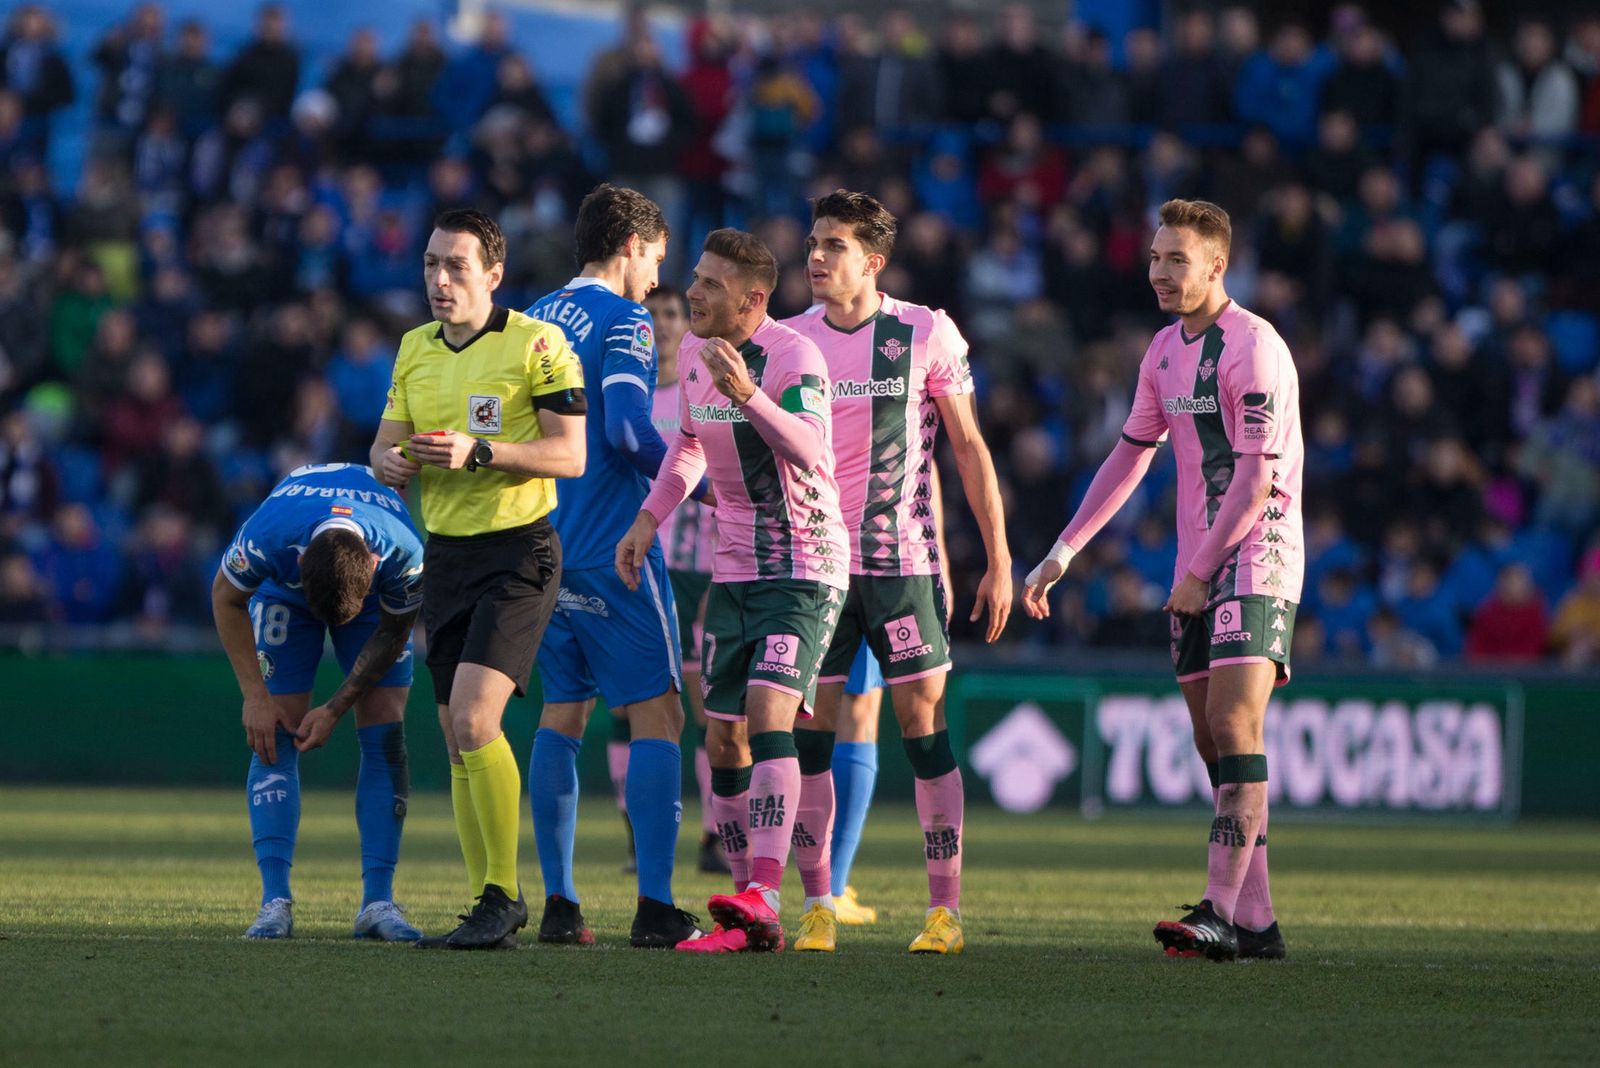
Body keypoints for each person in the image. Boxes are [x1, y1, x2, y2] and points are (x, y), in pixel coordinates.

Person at [1022, 198, 1303, 963]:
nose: (1160, 273)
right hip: (1195, 565)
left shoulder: (1255, 347)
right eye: (1154, 259)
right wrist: (1064, 550)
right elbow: (1128, 456)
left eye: (1177, 259)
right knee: (1212, 739)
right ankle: (1259, 922)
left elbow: (1251, 484)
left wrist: (1203, 571)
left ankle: (1216, 910)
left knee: (1238, 726)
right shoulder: (1161, 353)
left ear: (1217, 265)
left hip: (1256, 555)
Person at [783, 190, 1012, 955]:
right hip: (816, 566)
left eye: (834, 246)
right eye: (814, 242)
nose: (816, 257)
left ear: (873, 261)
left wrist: (998, 558)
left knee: (922, 725)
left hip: (901, 562)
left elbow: (969, 449)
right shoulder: (790, 342)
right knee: (806, 728)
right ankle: (817, 903)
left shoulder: (924, 333)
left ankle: (943, 911)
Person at [615, 228, 847, 955]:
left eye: (710, 286)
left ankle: (766, 895)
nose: (691, 293)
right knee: (722, 737)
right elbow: (685, 446)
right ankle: (745, 907)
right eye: (694, 279)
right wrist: (650, 518)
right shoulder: (689, 356)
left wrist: (749, 397)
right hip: (734, 569)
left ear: (751, 300)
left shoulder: (792, 356)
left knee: (769, 713)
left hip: (804, 565)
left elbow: (812, 450)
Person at [371, 208, 587, 950]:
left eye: (456, 265)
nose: (439, 278)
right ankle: (485, 900)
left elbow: (570, 455)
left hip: (520, 549)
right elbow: (383, 449)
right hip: (448, 555)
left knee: (472, 719)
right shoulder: (413, 350)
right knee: (453, 733)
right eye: (431, 263)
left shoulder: (539, 344)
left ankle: (504, 894)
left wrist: (481, 452)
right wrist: (391, 466)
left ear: (494, 275)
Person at [523, 183, 702, 949]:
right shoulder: (625, 319)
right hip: (613, 546)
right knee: (659, 710)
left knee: (562, 713)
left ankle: (561, 904)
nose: (657, 281)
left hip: (540, 549)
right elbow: (630, 428)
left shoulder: (529, 317)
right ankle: (656, 906)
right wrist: (703, 481)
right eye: (656, 260)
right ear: (631, 244)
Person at [210, 462, 425, 942]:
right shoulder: (269, 534)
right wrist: (253, 695)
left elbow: (393, 632)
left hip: (374, 605)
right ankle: (274, 902)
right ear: (302, 562)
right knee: (274, 727)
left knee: (385, 724)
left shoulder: (405, 549)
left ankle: (378, 900)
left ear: (373, 564)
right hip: (285, 595)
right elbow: (224, 598)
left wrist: (336, 707)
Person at [645, 282, 731, 877]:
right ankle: (642, 834)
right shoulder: (630, 397)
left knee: (711, 707)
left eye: (673, 313)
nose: (664, 325)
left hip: (714, 566)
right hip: (658, 563)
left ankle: (714, 832)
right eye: (652, 315)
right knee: (645, 704)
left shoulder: (702, 386)